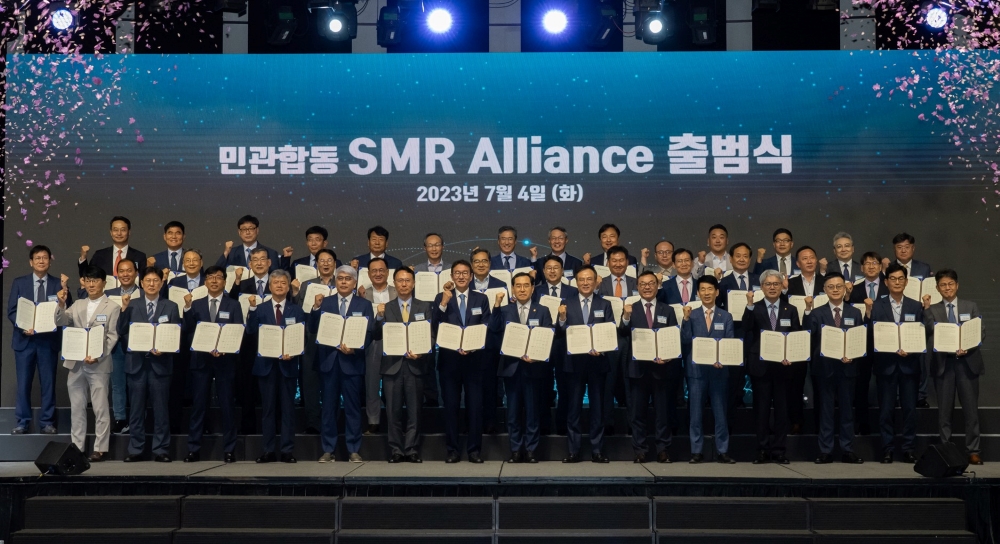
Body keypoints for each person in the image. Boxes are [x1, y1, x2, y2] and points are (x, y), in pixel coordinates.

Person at [54, 265, 120, 462]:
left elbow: (112, 336)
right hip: (76, 363)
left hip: (99, 364)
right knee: (77, 408)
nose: (91, 284)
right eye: (88, 280)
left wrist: (98, 355)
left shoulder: (112, 307)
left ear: (104, 283)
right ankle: (77, 447)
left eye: (95, 280)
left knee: (100, 408)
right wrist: (61, 304)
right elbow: (61, 321)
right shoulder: (78, 304)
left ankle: (100, 448)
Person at [309, 265, 373, 463]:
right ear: (335, 281)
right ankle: (328, 449)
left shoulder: (364, 304)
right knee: (329, 408)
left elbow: (369, 333)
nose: (344, 282)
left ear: (355, 283)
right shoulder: (325, 302)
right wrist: (315, 308)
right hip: (329, 362)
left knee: (353, 408)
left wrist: (355, 349)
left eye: (348, 279)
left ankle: (353, 449)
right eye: (340, 278)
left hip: (352, 362)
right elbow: (312, 328)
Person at [118, 267, 182, 462]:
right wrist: (123, 309)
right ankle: (135, 450)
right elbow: (121, 330)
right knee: (136, 410)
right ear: (141, 283)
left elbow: (175, 335)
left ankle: (161, 450)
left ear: (161, 284)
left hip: (160, 365)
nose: (152, 284)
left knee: (161, 410)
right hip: (136, 364)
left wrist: (165, 348)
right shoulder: (131, 304)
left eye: (156, 281)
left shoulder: (171, 306)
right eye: (148, 280)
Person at [181, 266, 243, 463]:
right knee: (199, 406)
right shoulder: (196, 304)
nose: (214, 281)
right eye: (210, 277)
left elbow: (238, 331)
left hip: (225, 361)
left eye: (218, 277)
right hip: (201, 360)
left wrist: (226, 347)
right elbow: (187, 329)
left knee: (227, 406)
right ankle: (193, 449)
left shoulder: (233, 305)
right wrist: (187, 308)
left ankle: (229, 450)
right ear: (205, 282)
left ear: (225, 281)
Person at [923, 269, 985, 466]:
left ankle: (973, 450)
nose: (947, 288)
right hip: (944, 364)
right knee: (944, 412)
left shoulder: (970, 306)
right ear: (937, 288)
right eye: (943, 285)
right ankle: (946, 450)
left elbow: (980, 331)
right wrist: (926, 309)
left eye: (950, 284)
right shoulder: (933, 309)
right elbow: (929, 330)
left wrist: (967, 346)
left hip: (968, 364)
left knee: (971, 411)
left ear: (957, 285)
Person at [433, 260, 492, 463]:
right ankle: (452, 450)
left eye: (465, 273)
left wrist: (472, 346)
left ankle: (474, 450)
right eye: (457, 273)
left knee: (475, 407)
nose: (461, 276)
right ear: (451, 276)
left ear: (471, 276)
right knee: (451, 407)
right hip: (449, 362)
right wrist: (443, 303)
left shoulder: (481, 298)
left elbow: (486, 325)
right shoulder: (442, 297)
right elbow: (434, 325)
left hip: (474, 361)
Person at [803, 272, 864, 464]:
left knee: (847, 411)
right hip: (825, 369)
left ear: (845, 288)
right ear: (824, 290)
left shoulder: (855, 313)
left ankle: (847, 449)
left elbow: (859, 339)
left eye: (839, 286)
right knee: (826, 411)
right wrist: (807, 310)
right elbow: (808, 335)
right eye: (831, 287)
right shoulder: (816, 313)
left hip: (848, 368)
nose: (835, 290)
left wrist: (852, 354)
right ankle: (825, 450)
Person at [7, 245, 69, 435]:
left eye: (45, 258)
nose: (41, 261)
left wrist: (64, 294)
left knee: (48, 384)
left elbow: (66, 312)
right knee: (23, 383)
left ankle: (47, 422)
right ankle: (22, 422)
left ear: (50, 261)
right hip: (24, 340)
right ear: (31, 262)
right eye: (37, 258)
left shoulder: (58, 284)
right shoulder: (19, 283)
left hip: (47, 341)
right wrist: (23, 326)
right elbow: (12, 310)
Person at [492, 272, 552, 463]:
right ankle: (516, 450)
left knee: (533, 413)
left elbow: (548, 337)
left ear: (533, 288)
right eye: (518, 286)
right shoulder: (504, 310)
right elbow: (493, 328)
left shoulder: (542, 310)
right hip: (511, 368)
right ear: (513, 289)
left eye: (526, 285)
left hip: (533, 368)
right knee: (513, 413)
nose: (522, 289)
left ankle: (532, 450)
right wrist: (496, 305)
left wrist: (538, 355)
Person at [557, 265, 614, 463]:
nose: (585, 283)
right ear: (576, 282)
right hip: (574, 364)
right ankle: (573, 451)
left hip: (598, 363)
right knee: (573, 409)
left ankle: (597, 450)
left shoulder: (604, 304)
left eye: (589, 279)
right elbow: (559, 332)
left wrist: (602, 348)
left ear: (596, 281)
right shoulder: (566, 303)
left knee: (598, 409)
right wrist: (562, 318)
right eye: (581, 279)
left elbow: (609, 331)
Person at [621, 271, 680, 463]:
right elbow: (622, 332)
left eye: (651, 283)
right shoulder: (630, 309)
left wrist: (668, 356)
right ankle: (640, 450)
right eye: (643, 284)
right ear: (637, 287)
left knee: (662, 413)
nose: (647, 287)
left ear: (657, 286)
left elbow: (673, 337)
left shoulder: (667, 310)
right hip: (637, 369)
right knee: (637, 413)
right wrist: (625, 316)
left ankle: (663, 449)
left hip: (661, 370)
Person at [376, 268, 434, 463]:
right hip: (392, 366)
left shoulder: (424, 306)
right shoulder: (386, 307)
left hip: (415, 365)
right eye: (400, 280)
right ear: (394, 284)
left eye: (408, 280)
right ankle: (396, 450)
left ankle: (411, 449)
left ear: (414, 283)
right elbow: (375, 334)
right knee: (392, 412)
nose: (404, 284)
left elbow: (430, 335)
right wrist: (378, 317)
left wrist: (422, 351)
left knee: (414, 412)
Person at [869, 263, 924, 464]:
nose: (897, 282)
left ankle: (908, 448)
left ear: (906, 282)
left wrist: (911, 348)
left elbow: (920, 335)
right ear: (886, 282)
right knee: (886, 410)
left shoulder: (915, 306)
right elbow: (872, 335)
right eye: (893, 279)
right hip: (886, 365)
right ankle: (888, 449)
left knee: (909, 410)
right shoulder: (877, 305)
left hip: (909, 365)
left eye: (901, 279)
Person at [744, 269, 800, 465]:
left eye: (776, 284)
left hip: (784, 367)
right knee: (761, 411)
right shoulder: (754, 307)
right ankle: (762, 450)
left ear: (782, 286)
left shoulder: (790, 309)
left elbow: (796, 336)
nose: (772, 287)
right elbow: (746, 328)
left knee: (782, 411)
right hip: (761, 367)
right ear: (762, 287)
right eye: (768, 284)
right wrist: (749, 305)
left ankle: (779, 450)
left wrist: (790, 355)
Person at [246, 270, 302, 464]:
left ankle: (287, 450)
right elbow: (250, 330)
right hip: (266, 366)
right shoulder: (260, 309)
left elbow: (301, 336)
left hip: (288, 365)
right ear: (269, 287)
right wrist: (252, 309)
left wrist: (293, 351)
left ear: (288, 287)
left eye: (283, 283)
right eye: (275, 283)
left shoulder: (296, 310)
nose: (279, 286)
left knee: (288, 410)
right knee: (268, 410)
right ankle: (268, 450)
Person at [681, 276, 736, 464]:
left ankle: (723, 451)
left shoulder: (726, 316)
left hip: (719, 372)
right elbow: (685, 341)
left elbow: (729, 342)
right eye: (702, 289)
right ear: (697, 293)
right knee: (695, 414)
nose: (706, 293)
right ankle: (696, 451)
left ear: (717, 292)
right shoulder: (691, 314)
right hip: (696, 373)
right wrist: (685, 319)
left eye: (710, 289)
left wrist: (723, 359)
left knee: (720, 414)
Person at [293, 248, 339, 434]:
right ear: (317, 264)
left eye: (329, 260)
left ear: (335, 264)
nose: (325, 263)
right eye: (322, 260)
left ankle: (331, 423)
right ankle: (312, 422)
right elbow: (298, 310)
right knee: (310, 382)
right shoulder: (307, 285)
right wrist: (295, 293)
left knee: (332, 383)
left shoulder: (342, 282)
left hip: (334, 337)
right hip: (311, 336)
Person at [532, 255, 579, 435]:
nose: (552, 271)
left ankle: (562, 425)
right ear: (543, 271)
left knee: (564, 385)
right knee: (542, 385)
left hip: (564, 343)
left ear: (562, 271)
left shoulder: (572, 291)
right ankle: (543, 425)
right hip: (541, 341)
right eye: (549, 268)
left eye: (556, 268)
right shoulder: (535, 290)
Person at [229, 247, 274, 434]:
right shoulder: (243, 284)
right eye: (255, 260)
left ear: (269, 263)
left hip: (271, 340)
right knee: (247, 384)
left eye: (263, 259)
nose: (259, 263)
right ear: (250, 264)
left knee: (271, 386)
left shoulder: (277, 282)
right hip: (247, 341)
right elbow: (231, 303)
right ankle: (248, 427)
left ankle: (272, 428)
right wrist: (236, 282)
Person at [716, 243, 759, 425]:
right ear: (731, 259)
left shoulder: (759, 280)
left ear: (750, 259)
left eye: (745, 256)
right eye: (738, 256)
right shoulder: (723, 283)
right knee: (734, 378)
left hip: (756, 335)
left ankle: (757, 419)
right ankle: (732, 419)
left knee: (758, 377)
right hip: (732, 334)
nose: (742, 259)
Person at [596, 245, 637, 434]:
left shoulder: (637, 283)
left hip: (631, 338)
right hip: (607, 338)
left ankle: (632, 424)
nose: (618, 264)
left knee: (630, 383)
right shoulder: (600, 284)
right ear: (608, 263)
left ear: (627, 262)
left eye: (622, 260)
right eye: (614, 260)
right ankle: (608, 422)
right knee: (608, 383)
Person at [164, 249, 204, 433]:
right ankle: (175, 424)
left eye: (195, 260)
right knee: (177, 381)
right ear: (183, 264)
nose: (191, 263)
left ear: (201, 263)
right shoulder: (174, 283)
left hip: (202, 336)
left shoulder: (208, 282)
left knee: (200, 384)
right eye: (188, 260)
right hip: (179, 336)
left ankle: (203, 425)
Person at [892, 233, 933, 409]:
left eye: (906, 247)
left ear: (913, 248)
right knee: (895, 358)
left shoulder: (923, 268)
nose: (903, 250)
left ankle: (920, 395)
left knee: (920, 358)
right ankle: (897, 396)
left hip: (918, 316)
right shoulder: (888, 268)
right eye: (899, 247)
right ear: (894, 249)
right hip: (895, 317)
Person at [786, 245, 824, 435]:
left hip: (822, 338)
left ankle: (821, 422)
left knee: (821, 383)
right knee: (795, 382)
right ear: (798, 263)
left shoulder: (827, 282)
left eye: (812, 257)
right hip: (797, 336)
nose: (809, 261)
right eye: (805, 258)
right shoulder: (789, 284)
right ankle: (796, 421)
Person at [848, 251, 887, 436]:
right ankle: (862, 423)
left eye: (875, 263)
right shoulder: (854, 290)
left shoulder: (889, 287)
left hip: (885, 343)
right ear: (861, 268)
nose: (871, 266)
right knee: (861, 384)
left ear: (880, 267)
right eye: (867, 263)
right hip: (861, 343)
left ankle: (885, 423)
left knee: (885, 385)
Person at [470, 248, 507, 435]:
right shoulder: (466, 285)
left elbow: (503, 316)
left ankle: (491, 422)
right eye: (476, 261)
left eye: (484, 261)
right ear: (471, 265)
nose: (481, 264)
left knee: (491, 385)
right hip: (470, 344)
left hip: (492, 342)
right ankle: (472, 423)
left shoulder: (501, 285)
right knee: (472, 387)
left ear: (490, 264)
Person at [360, 258, 396, 435]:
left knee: (394, 384)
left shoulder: (397, 291)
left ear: (388, 272)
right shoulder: (362, 294)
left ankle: (394, 422)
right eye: (374, 271)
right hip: (372, 342)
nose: (378, 273)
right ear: (368, 274)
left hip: (394, 341)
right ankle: (373, 421)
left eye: (381, 270)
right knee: (372, 383)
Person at [411, 233, 446, 409]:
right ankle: (430, 397)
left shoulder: (451, 269)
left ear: (443, 247)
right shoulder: (416, 270)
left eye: (437, 245)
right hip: (423, 317)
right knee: (426, 358)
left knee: (446, 360)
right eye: (430, 245)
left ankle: (447, 397)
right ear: (424, 248)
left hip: (446, 317)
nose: (434, 248)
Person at [105, 258, 139, 433]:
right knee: (117, 383)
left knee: (136, 385)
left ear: (136, 273)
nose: (125, 274)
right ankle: (120, 418)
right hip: (116, 344)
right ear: (117, 274)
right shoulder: (108, 294)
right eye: (122, 271)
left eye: (129, 270)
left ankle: (137, 419)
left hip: (137, 345)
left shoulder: (144, 292)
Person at [78, 216, 147, 279]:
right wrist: (83, 257)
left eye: (123, 230)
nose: (119, 233)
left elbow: (143, 281)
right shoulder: (99, 255)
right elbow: (87, 277)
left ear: (129, 232)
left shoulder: (140, 256)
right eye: (115, 230)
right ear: (111, 232)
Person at [215, 214, 288, 272]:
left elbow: (275, 276)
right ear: (239, 232)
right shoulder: (231, 253)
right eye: (244, 229)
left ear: (257, 230)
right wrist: (226, 252)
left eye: (251, 228)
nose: (247, 232)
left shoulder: (271, 253)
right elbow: (216, 272)